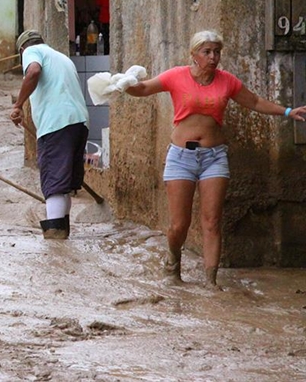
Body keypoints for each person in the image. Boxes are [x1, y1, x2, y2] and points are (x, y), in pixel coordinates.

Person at [124, 30, 306, 288]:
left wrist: (288, 111)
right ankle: (173, 263)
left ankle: (211, 281)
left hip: (214, 157)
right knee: (179, 224)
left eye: (216, 52)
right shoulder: (176, 76)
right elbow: (142, 89)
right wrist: (120, 84)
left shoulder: (226, 81)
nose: (213, 57)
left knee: (212, 221)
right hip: (180, 156)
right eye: (207, 52)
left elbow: (254, 101)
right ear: (194, 54)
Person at [10, 29, 89, 239]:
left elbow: (33, 72)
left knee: (53, 183)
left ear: (22, 49)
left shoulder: (31, 52)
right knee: (65, 185)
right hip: (79, 122)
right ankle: (62, 234)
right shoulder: (61, 57)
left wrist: (18, 105)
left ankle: (54, 237)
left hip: (56, 125)